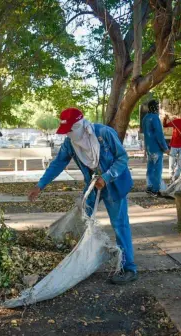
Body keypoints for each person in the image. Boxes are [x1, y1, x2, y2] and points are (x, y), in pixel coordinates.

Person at [28, 108, 137, 285]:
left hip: (114, 183)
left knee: (119, 224)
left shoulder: (103, 134)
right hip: (93, 184)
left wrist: (107, 177)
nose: (68, 135)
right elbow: (57, 164)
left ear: (79, 126)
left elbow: (123, 158)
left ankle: (129, 268)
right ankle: (82, 256)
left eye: (70, 130)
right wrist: (40, 185)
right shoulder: (71, 143)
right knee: (83, 217)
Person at [142, 99, 169, 197]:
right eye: (158, 106)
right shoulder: (155, 118)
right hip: (156, 148)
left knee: (150, 168)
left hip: (149, 148)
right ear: (155, 107)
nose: (158, 108)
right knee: (157, 169)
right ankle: (155, 190)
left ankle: (149, 187)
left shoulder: (145, 118)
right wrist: (165, 147)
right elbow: (159, 134)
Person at [163, 110, 181, 182]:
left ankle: (176, 178)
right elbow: (165, 125)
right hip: (174, 145)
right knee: (172, 162)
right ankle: (171, 177)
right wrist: (165, 119)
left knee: (180, 163)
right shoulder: (177, 121)